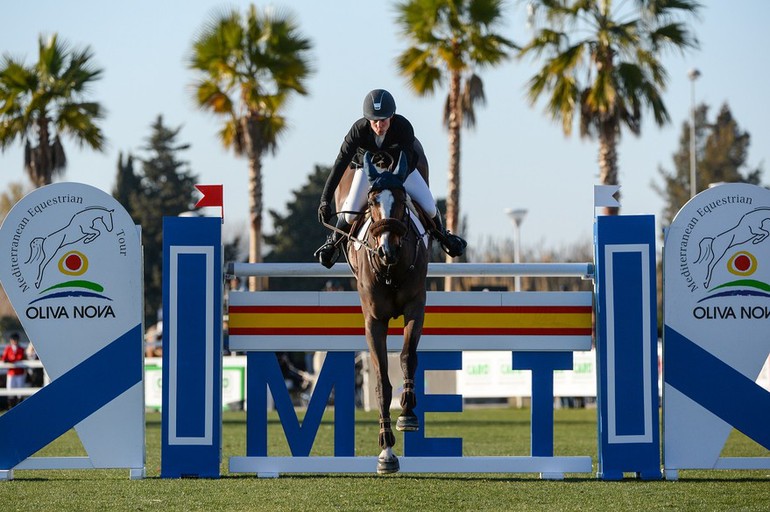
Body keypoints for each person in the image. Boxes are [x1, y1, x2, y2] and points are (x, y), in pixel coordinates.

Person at [314, 89, 467, 268]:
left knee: (430, 208)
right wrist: (325, 200)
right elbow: (340, 164)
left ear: (392, 116)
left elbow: (407, 160)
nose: (379, 126)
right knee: (349, 213)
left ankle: (444, 236)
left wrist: (394, 180)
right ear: (368, 119)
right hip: (368, 171)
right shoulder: (357, 130)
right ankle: (333, 243)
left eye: (384, 120)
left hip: (400, 171)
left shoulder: (403, 126)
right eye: (375, 121)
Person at [1, 332, 26, 408]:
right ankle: (11, 408)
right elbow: (4, 359)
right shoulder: (8, 348)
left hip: (19, 373)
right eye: (13, 339)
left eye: (15, 339)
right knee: (10, 392)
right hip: (11, 373)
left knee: (20, 393)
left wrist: (10, 360)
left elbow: (19, 357)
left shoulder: (21, 349)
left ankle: (20, 407)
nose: (14, 341)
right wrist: (10, 360)